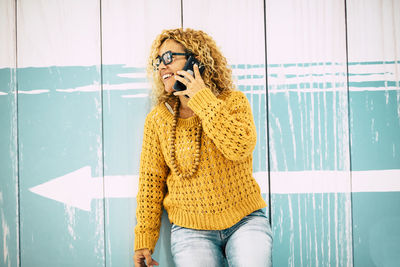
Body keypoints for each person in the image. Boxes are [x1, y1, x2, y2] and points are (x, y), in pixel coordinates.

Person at [134, 28, 272, 267]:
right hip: (191, 230)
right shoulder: (157, 120)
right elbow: (150, 182)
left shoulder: (233, 102)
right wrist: (145, 238)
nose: (162, 67)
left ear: (194, 59)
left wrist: (201, 98)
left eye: (169, 58)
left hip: (244, 220)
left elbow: (239, 147)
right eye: (158, 61)